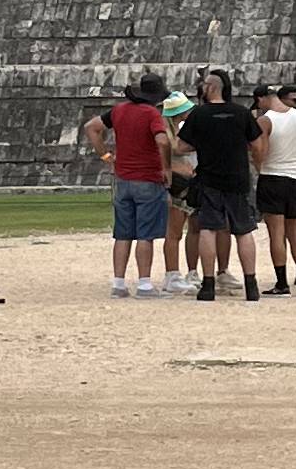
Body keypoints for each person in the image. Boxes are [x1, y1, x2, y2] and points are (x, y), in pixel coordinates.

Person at [80, 74, 174, 295]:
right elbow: (162, 141)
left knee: (122, 234)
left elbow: (91, 127)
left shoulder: (119, 110)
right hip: (148, 178)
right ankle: (144, 284)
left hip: (123, 178)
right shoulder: (151, 113)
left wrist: (106, 156)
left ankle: (118, 283)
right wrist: (167, 168)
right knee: (145, 234)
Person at [178, 69, 265, 301]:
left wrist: (203, 143)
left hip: (209, 178)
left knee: (208, 228)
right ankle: (251, 283)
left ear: (212, 87)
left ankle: (208, 284)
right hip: (237, 177)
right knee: (243, 230)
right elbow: (257, 145)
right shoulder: (241, 113)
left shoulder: (199, 114)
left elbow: (180, 146)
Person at [254, 82, 296, 292]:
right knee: (295, 231)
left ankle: (282, 282)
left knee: (276, 233)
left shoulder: (265, 120)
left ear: (263, 99)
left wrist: (256, 162)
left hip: (272, 175)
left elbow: (261, 153)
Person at [159, 84, 199, 283]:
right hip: (177, 183)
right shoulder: (167, 135)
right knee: (175, 231)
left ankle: (192, 271)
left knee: (194, 230)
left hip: (190, 181)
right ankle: (172, 273)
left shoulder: (181, 130)